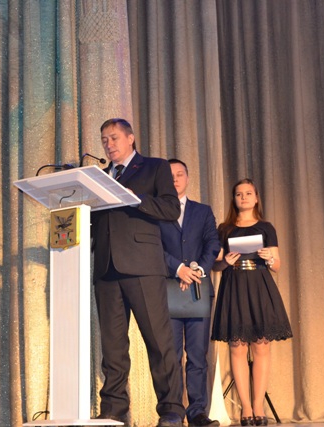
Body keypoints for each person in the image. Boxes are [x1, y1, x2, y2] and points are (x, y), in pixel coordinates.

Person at [91, 118, 185, 427]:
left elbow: (170, 209)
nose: (109, 144)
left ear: (130, 138)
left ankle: (171, 410)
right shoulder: (99, 177)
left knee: (158, 341)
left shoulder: (154, 167)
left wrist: (135, 198)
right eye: (104, 140)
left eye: (114, 137)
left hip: (143, 266)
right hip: (106, 268)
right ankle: (114, 409)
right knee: (113, 347)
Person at [211, 179, 292, 427]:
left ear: (256, 198)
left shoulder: (266, 227)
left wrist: (269, 258)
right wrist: (225, 261)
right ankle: (245, 408)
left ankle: (258, 406)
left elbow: (277, 266)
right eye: (239, 194)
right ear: (234, 199)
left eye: (248, 193)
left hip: (259, 285)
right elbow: (216, 265)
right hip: (234, 285)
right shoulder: (224, 229)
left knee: (261, 346)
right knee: (237, 347)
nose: (243, 197)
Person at [159, 159, 221, 427]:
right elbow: (153, 248)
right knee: (170, 356)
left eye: (180, 174)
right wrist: (178, 269)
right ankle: (173, 412)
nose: (175, 179)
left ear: (187, 177)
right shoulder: (156, 212)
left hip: (198, 288)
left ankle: (197, 412)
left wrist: (197, 271)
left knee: (197, 355)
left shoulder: (203, 211)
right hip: (167, 288)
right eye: (170, 175)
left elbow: (213, 243)